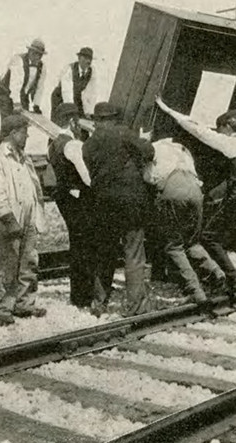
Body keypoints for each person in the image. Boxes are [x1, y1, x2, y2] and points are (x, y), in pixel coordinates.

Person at [156, 98, 236, 312]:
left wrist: (170, 111)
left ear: (228, 126)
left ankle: (233, 279)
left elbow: (201, 133)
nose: (219, 132)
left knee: (208, 236)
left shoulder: (233, 143)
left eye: (221, 128)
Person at [83, 102, 155, 317]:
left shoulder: (88, 144)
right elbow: (148, 152)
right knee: (133, 253)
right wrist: (144, 140)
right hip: (130, 203)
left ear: (96, 120)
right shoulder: (124, 133)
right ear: (114, 118)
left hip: (103, 204)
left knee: (105, 253)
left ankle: (99, 303)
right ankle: (136, 306)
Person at [143, 137, 226, 303]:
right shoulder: (180, 148)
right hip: (195, 189)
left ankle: (195, 290)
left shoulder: (152, 149)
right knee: (192, 242)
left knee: (174, 246)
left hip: (173, 189)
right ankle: (216, 272)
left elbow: (149, 178)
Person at [0, 115, 47, 325]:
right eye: (24, 132)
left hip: (27, 218)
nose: (27, 136)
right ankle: (3, 308)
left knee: (29, 261)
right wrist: (9, 220)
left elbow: (33, 188)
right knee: (6, 264)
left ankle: (24, 303)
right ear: (12, 133)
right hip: (9, 220)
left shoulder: (23, 157)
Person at [47, 103, 94, 307]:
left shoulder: (53, 143)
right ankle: (84, 296)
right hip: (79, 199)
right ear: (73, 122)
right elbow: (87, 177)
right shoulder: (73, 145)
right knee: (85, 246)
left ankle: (78, 296)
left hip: (65, 197)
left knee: (77, 244)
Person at [0, 39, 47, 140]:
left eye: (39, 54)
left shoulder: (42, 67)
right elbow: (15, 84)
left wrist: (36, 105)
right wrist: (16, 104)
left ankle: (19, 151)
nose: (36, 56)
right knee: (8, 121)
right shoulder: (18, 60)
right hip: (5, 93)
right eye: (34, 53)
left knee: (24, 121)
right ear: (29, 51)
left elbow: (39, 87)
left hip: (22, 94)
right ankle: (4, 151)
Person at [50, 47, 97, 121]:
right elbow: (67, 91)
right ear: (79, 58)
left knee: (83, 119)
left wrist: (88, 112)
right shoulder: (69, 69)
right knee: (60, 121)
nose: (87, 61)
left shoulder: (91, 72)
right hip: (60, 97)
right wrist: (71, 110)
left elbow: (89, 93)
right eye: (84, 58)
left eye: (89, 59)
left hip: (76, 97)